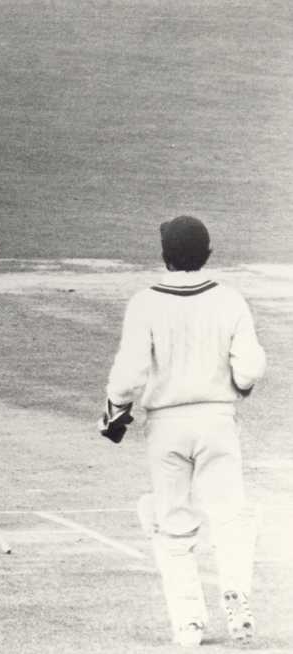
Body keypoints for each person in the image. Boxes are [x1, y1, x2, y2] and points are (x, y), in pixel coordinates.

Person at [99, 215, 266, 647]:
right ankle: (237, 595)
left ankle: (189, 622)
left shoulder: (145, 302)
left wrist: (115, 410)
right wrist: (238, 387)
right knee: (230, 515)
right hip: (217, 421)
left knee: (172, 523)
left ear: (164, 256)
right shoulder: (229, 300)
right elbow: (250, 368)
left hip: (166, 428)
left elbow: (129, 373)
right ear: (208, 254)